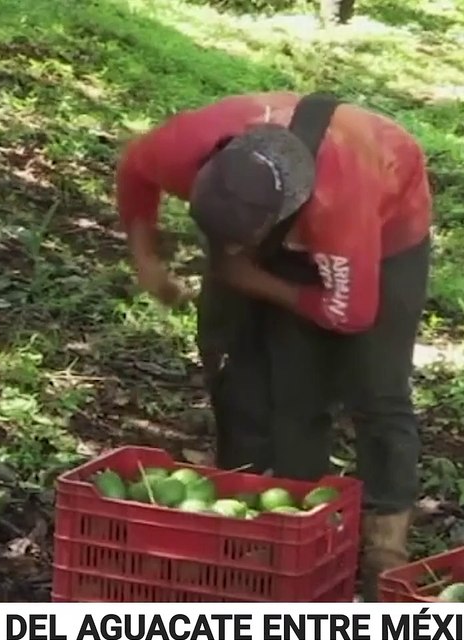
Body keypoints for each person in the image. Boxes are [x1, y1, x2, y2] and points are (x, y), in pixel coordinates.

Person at [114, 91, 432, 600]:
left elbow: (350, 314)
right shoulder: (184, 148)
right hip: (272, 223)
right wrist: (145, 255)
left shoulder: (339, 202)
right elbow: (135, 166)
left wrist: (252, 277)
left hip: (384, 228)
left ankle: (384, 545)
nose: (233, 250)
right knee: (252, 365)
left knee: (376, 384)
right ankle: (270, 520)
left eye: (243, 242)